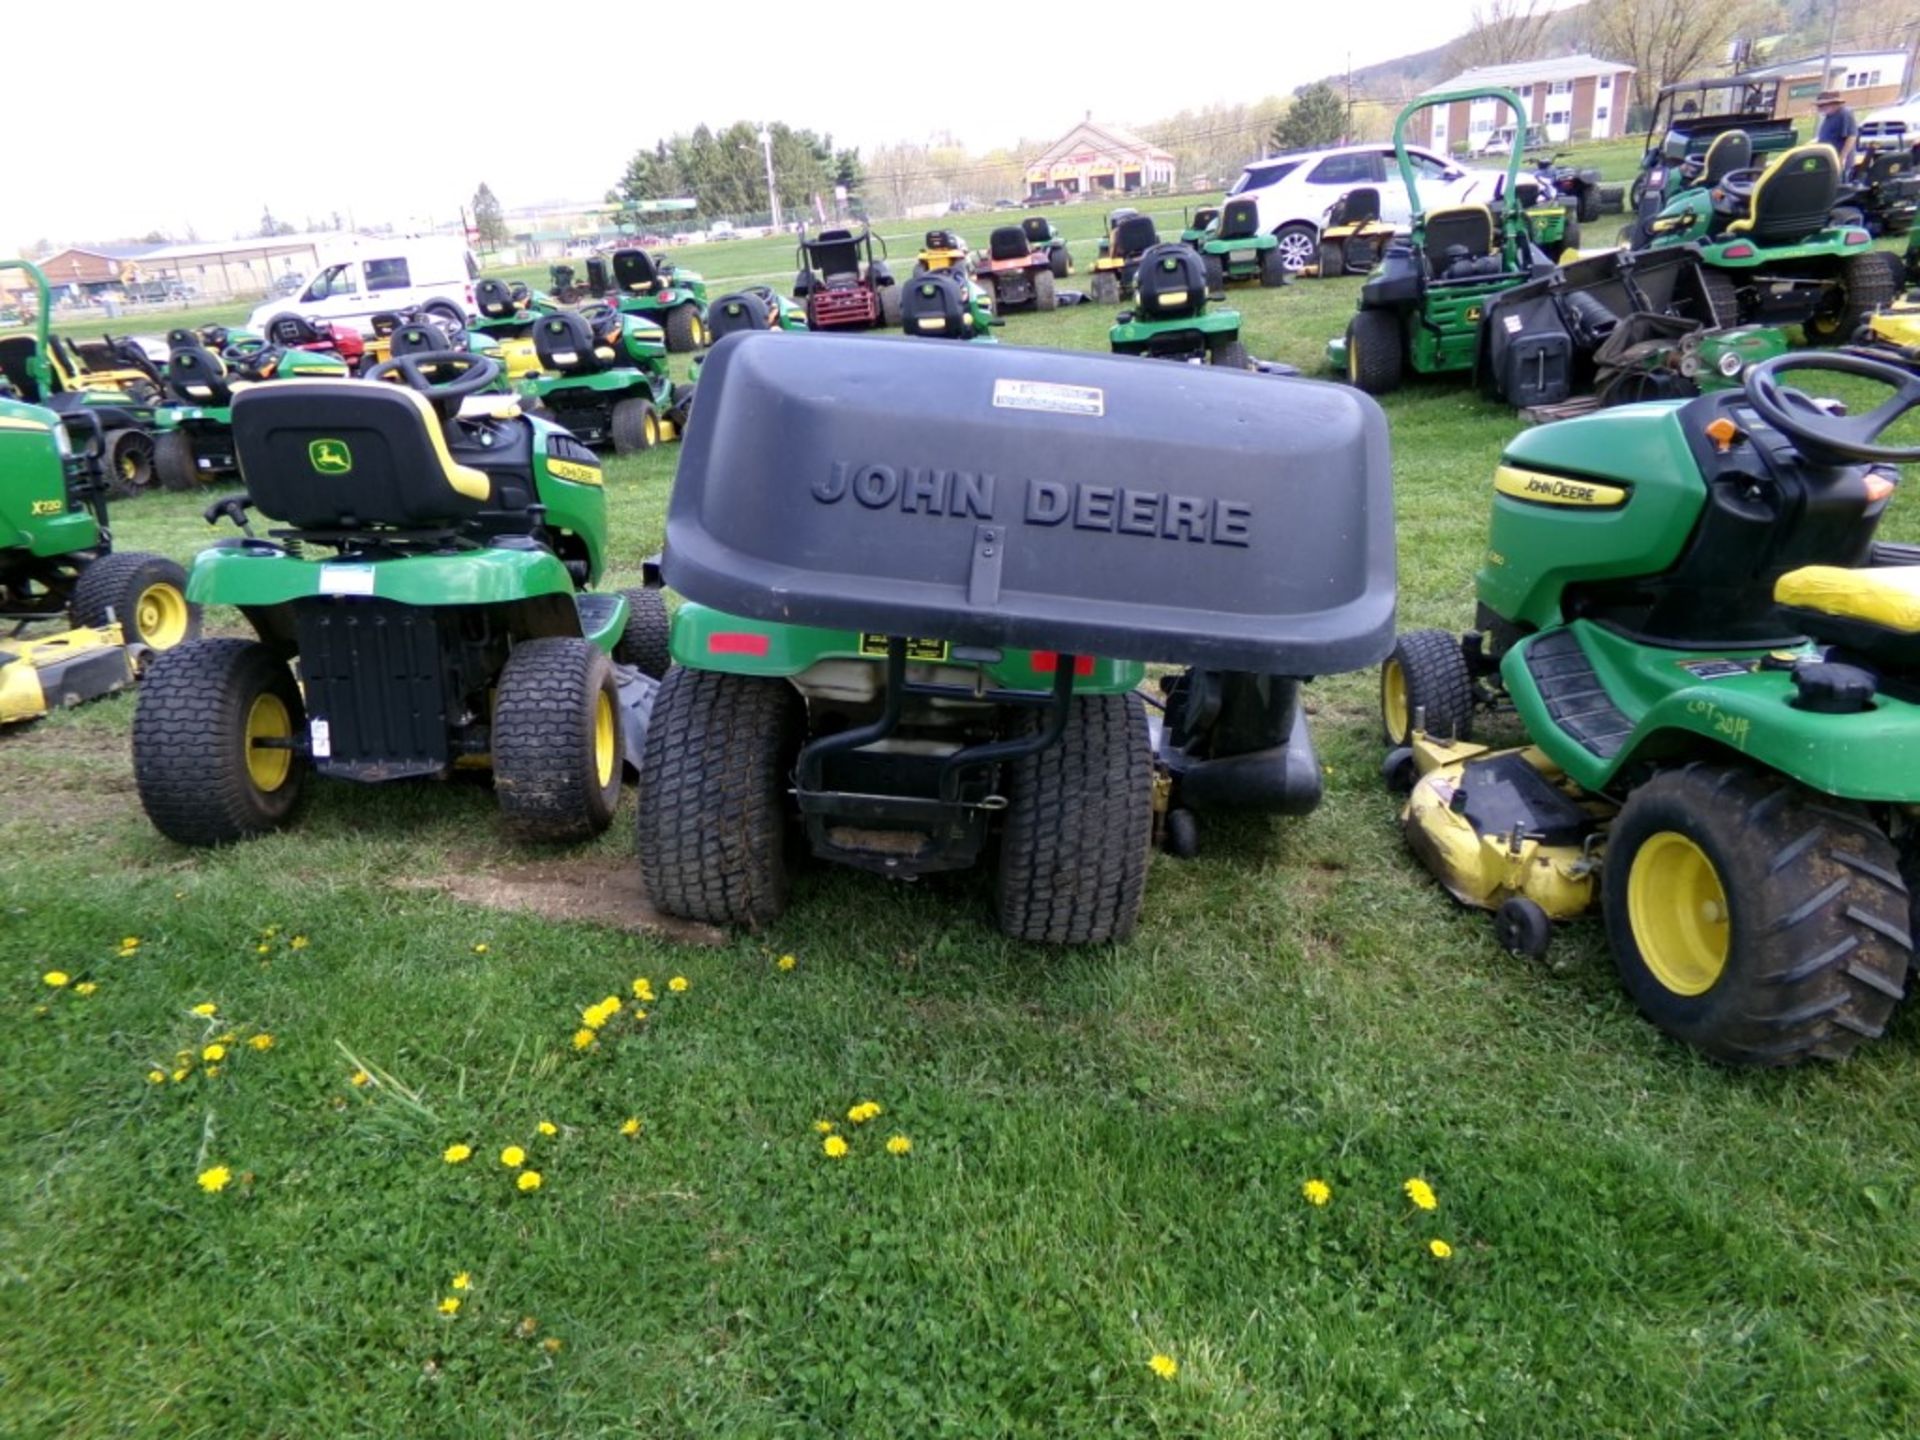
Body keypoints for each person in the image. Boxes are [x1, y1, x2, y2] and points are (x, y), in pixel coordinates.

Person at [1815, 90, 1859, 170]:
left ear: (1833, 103)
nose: (1820, 108)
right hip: (1828, 160)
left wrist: (1842, 158)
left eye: (1822, 105)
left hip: (1839, 162)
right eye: (1819, 106)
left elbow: (1851, 137)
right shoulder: (1830, 115)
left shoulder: (1845, 113)